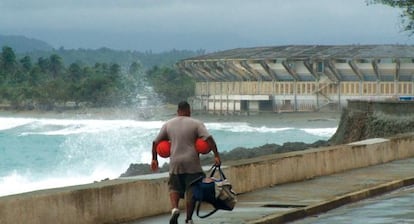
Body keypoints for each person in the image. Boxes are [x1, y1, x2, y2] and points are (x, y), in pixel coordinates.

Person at [151, 101, 221, 224]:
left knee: (174, 188)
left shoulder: (168, 124)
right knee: (191, 191)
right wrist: (216, 156)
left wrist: (154, 159)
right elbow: (209, 139)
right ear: (189, 110)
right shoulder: (196, 123)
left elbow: (155, 142)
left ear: (178, 111)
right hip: (192, 163)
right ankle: (188, 219)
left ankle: (174, 209)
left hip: (175, 162)